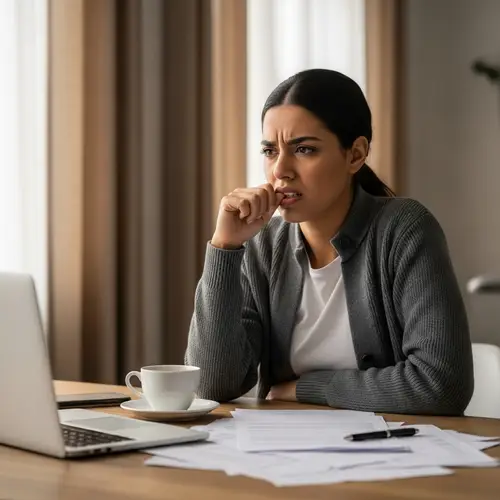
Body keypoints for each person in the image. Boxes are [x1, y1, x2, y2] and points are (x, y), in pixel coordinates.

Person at [186, 69, 473, 415]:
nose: (280, 170)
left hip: (395, 452)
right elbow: (211, 385)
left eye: (304, 149)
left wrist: (308, 387)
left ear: (355, 154)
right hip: (283, 453)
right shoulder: (263, 247)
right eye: (269, 150)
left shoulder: (404, 229)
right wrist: (224, 248)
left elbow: (441, 384)